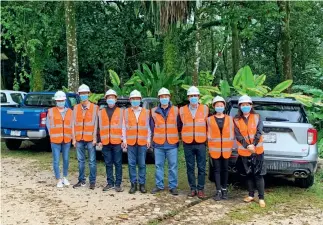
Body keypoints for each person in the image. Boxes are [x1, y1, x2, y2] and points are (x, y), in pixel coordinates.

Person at [234, 95, 266, 208]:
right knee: (248, 174)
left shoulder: (257, 117)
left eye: (247, 104)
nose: (245, 106)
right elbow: (238, 135)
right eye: (243, 105)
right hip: (244, 152)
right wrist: (248, 146)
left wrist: (254, 144)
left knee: (258, 174)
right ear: (240, 106)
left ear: (251, 105)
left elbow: (259, 131)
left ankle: (261, 197)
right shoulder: (236, 120)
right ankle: (251, 195)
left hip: (257, 151)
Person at [150, 87, 181, 195]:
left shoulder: (176, 110)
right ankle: (159, 185)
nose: (164, 98)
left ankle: (173, 186)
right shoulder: (153, 111)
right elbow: (151, 127)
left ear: (169, 97)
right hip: (158, 143)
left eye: (166, 96)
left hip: (172, 143)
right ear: (159, 98)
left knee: (173, 166)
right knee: (159, 165)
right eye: (162, 97)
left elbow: (179, 125)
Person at [179, 86, 208, 199]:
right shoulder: (182, 110)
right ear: (188, 97)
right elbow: (179, 125)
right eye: (191, 96)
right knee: (190, 167)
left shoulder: (205, 109)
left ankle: (200, 189)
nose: (193, 98)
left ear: (198, 97)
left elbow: (208, 125)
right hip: (188, 143)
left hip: (201, 143)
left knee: (201, 167)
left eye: (195, 96)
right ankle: (192, 188)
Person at [207, 96, 234, 201]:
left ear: (224, 106)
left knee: (225, 170)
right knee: (216, 170)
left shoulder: (230, 119)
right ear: (214, 106)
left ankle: (224, 189)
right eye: (217, 105)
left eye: (221, 105)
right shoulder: (209, 120)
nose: (219, 107)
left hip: (226, 149)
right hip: (215, 149)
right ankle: (218, 190)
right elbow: (207, 134)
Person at [123, 90, 151, 194]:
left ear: (140, 100)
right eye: (133, 99)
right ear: (130, 100)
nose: (135, 101)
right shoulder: (126, 112)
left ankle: (142, 184)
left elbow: (148, 127)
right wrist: (124, 140)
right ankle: (133, 184)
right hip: (130, 142)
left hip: (142, 142)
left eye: (137, 99)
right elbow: (123, 127)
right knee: (131, 164)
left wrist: (148, 139)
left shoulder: (146, 112)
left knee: (142, 164)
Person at [72, 84, 99, 190]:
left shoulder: (95, 108)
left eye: (85, 93)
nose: (83, 95)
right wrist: (73, 139)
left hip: (90, 139)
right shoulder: (76, 108)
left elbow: (96, 124)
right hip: (79, 139)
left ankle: (92, 181)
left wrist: (95, 138)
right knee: (80, 161)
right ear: (79, 95)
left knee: (92, 161)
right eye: (81, 94)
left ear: (89, 94)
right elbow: (73, 124)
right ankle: (81, 180)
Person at [98, 89, 124, 192]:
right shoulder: (101, 112)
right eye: (109, 97)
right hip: (105, 142)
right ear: (106, 99)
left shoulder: (121, 111)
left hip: (117, 141)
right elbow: (99, 127)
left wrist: (123, 140)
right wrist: (100, 140)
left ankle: (118, 184)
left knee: (118, 163)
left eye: (112, 97)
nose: (111, 99)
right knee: (108, 163)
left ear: (116, 99)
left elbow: (124, 126)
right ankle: (110, 183)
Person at [46, 91, 73, 188]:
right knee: (56, 160)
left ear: (65, 100)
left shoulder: (70, 112)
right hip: (55, 140)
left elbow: (72, 125)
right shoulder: (51, 111)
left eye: (62, 100)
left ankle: (65, 177)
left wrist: (72, 137)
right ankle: (58, 179)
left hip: (66, 140)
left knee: (66, 159)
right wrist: (52, 135)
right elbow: (48, 125)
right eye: (58, 100)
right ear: (56, 101)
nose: (60, 102)